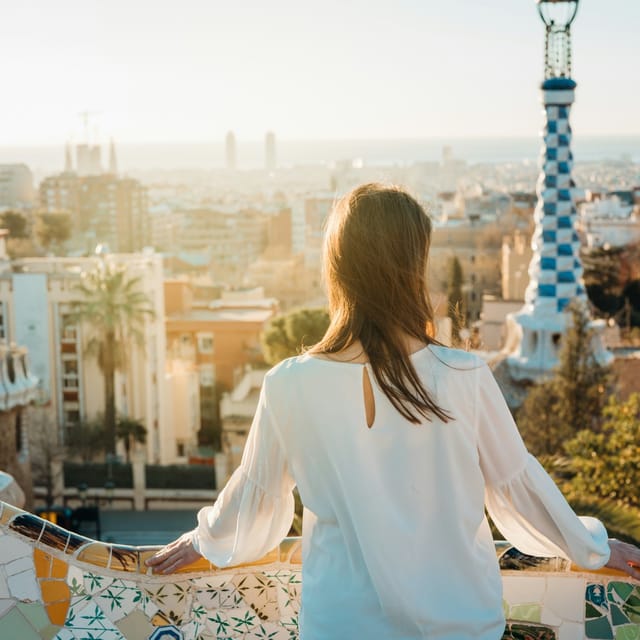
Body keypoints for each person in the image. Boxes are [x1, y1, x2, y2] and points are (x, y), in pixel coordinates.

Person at [147, 184, 640, 639]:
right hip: (459, 625)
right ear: (414, 265)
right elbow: (517, 491)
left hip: (338, 625)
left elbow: (254, 503)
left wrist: (205, 540)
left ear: (337, 267)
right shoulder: (463, 375)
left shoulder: (288, 384)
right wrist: (592, 550)